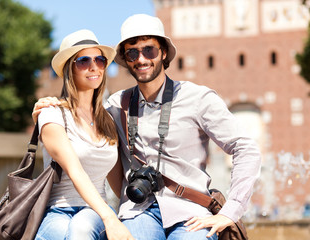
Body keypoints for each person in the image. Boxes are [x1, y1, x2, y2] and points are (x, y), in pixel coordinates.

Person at [33, 14, 261, 240]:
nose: (141, 59)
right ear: (126, 59)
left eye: (149, 50)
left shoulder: (198, 98)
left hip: (190, 213)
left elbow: (245, 148)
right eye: (132, 52)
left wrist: (230, 212)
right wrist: (46, 108)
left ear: (163, 52)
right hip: (138, 212)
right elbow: (80, 118)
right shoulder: (116, 106)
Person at [34, 29, 134, 240]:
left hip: (95, 212)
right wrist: (109, 218)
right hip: (57, 210)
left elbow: (117, 183)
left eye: (100, 60)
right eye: (83, 61)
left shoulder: (109, 120)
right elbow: (75, 170)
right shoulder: (52, 114)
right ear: (69, 68)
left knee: (81, 227)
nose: (93, 66)